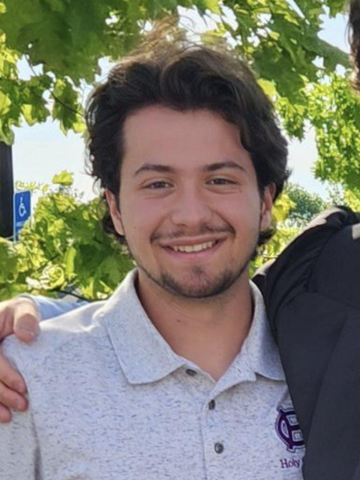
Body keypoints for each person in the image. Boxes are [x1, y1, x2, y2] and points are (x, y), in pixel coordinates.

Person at [0, 29, 308, 479]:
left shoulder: (325, 362)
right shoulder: (28, 379)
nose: (190, 215)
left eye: (220, 179)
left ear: (265, 201)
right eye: (157, 184)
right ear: (116, 208)